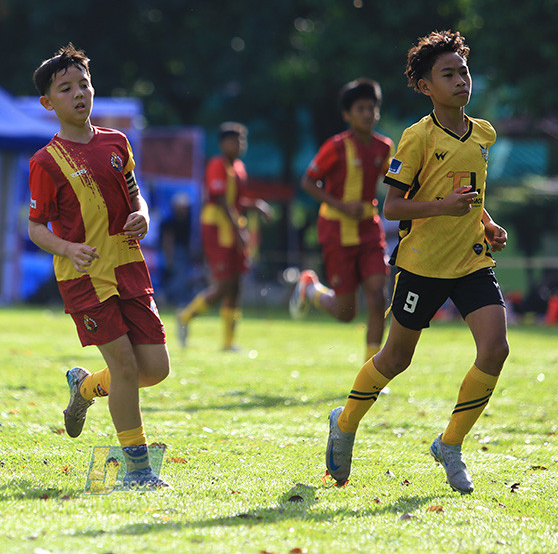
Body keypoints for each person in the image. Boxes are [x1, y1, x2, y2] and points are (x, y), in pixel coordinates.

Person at [325, 30, 509, 494]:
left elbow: (470, 194)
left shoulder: (483, 133)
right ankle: (345, 423)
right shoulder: (416, 137)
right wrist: (441, 208)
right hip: (422, 265)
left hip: (471, 261)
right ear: (426, 86)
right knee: (395, 358)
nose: (460, 80)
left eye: (463, 71)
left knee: (495, 348)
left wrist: (487, 223)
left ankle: (450, 444)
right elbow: (393, 208)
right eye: (448, 74)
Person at [27, 44, 170, 489]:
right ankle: (137, 470)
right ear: (48, 103)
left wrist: (143, 214)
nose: (79, 94)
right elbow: (35, 227)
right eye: (66, 88)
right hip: (84, 277)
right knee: (126, 369)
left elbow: (135, 195)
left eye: (84, 84)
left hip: (128, 266)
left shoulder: (116, 143)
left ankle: (85, 388)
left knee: (156, 369)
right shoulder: (46, 162)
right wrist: (67, 249)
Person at [292, 78, 394, 362]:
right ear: (347, 115)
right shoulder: (335, 146)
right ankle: (310, 289)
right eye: (360, 108)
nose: (367, 114)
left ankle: (371, 372)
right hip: (336, 230)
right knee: (345, 313)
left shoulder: (384, 146)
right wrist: (340, 205)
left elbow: (394, 181)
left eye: (371, 108)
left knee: (378, 298)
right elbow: (308, 182)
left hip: (369, 229)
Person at [176, 122, 272, 351]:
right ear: (222, 144)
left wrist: (254, 206)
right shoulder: (217, 165)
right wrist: (239, 231)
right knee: (222, 285)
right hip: (217, 230)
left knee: (236, 285)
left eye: (241, 140)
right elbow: (220, 201)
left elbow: (235, 203)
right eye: (233, 140)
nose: (238, 145)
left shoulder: (239, 167)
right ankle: (186, 315)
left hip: (232, 228)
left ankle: (228, 343)